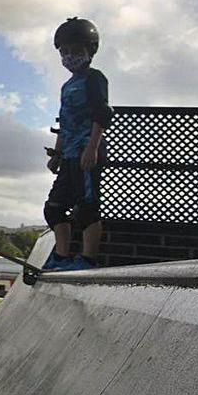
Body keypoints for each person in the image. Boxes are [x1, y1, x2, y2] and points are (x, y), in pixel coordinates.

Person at [43, 17, 113, 271]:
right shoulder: (66, 86)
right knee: (54, 208)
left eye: (76, 51)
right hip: (70, 155)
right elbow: (66, 122)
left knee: (86, 208)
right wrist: (57, 153)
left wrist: (92, 147)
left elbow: (102, 114)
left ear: (90, 51)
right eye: (65, 52)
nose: (70, 56)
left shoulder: (94, 78)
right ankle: (61, 257)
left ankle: (87, 259)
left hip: (86, 152)